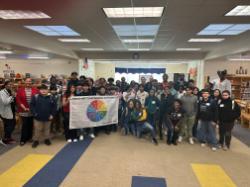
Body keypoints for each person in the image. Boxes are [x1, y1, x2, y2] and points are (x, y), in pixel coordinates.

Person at [16, 78, 39, 146]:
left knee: (31, 125)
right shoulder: (20, 90)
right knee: (25, 125)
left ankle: (29, 138)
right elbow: (18, 100)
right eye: (27, 81)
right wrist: (24, 107)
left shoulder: (36, 90)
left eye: (29, 81)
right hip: (23, 111)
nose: (28, 82)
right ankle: (23, 139)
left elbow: (37, 100)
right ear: (24, 82)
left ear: (31, 82)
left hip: (32, 111)